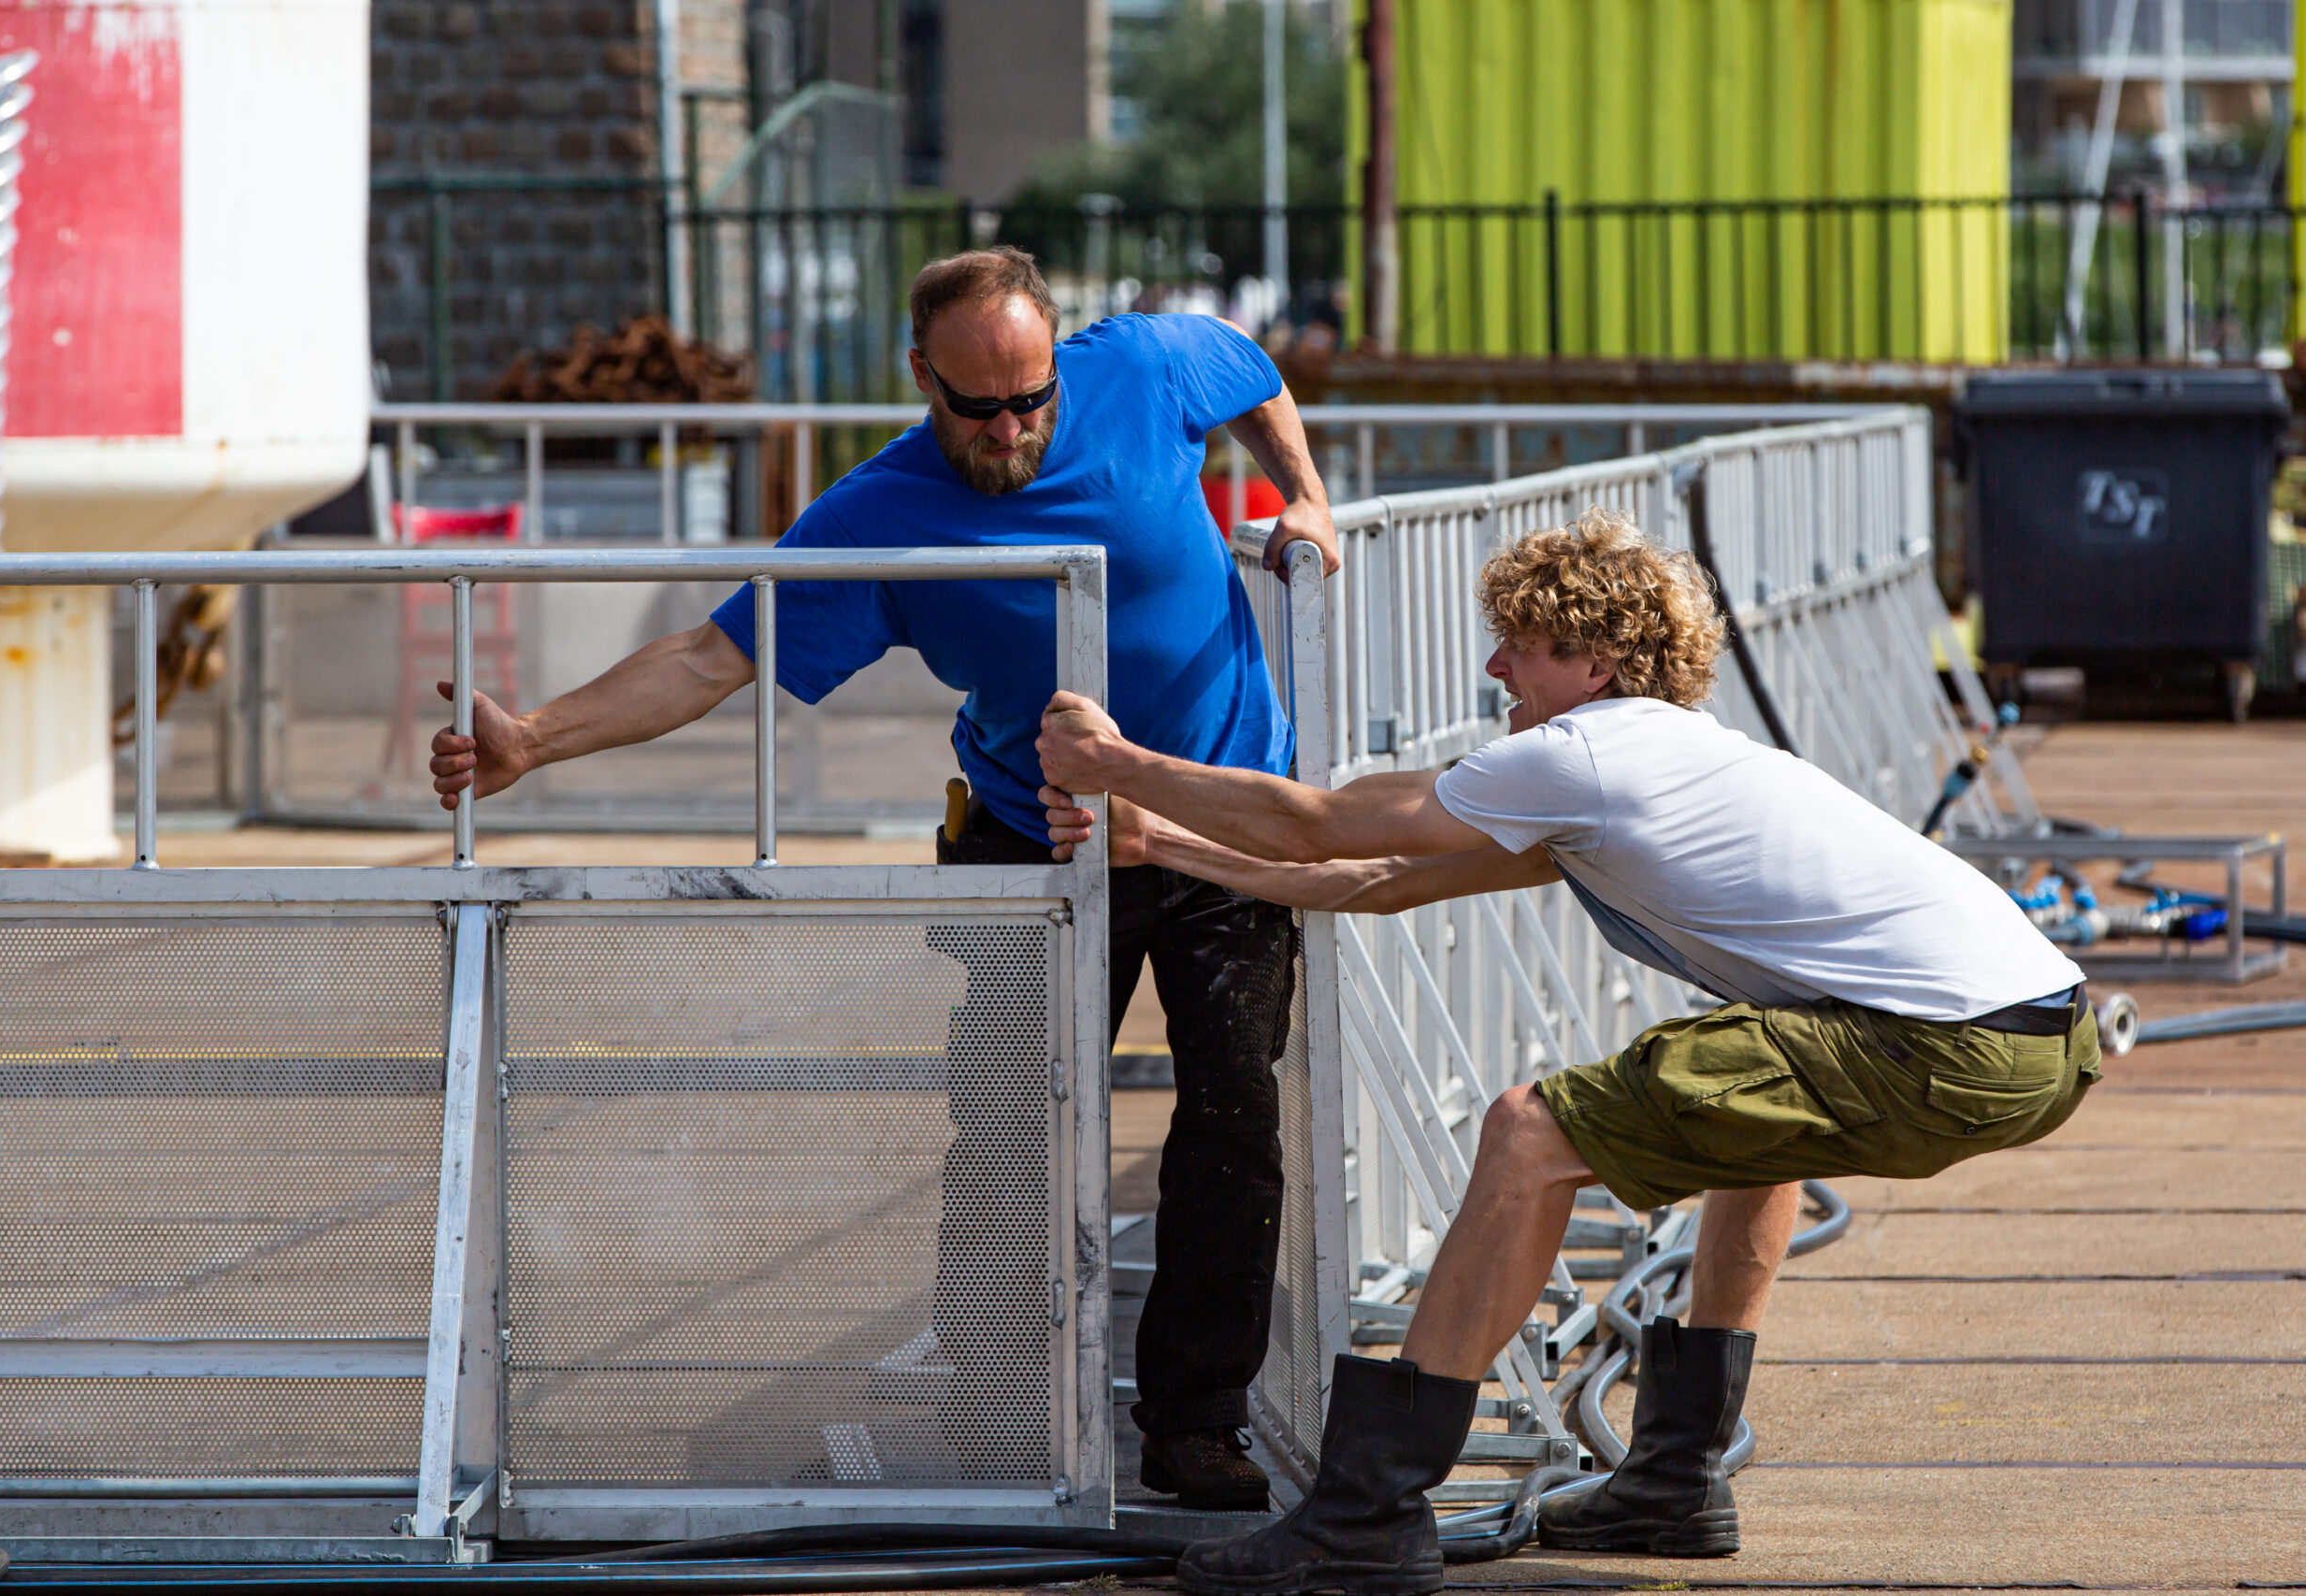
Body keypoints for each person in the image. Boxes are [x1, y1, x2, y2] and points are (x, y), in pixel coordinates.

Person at [1033, 508, 2099, 1594]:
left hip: (1954, 1041)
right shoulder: (1654, 760)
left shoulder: (1583, 757)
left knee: (1527, 1131)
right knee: (1753, 1124)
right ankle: (1677, 1480)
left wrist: (1114, 761)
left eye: (1522, 645)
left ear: (1593, 664)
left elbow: (1320, 822)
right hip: (2038, 1034)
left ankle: (1368, 1510)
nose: (1495, 664)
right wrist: (1161, 841)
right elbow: (1374, 882)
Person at [428, 246, 1342, 1510]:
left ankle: (1197, 1420)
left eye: (1033, 400)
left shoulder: (1137, 365)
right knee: (1014, 1136)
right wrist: (533, 740)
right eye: (982, 407)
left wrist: (1306, 498)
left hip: (1216, 809)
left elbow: (1252, 374)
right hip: (1035, 833)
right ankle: (998, 1412)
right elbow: (710, 655)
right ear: (922, 379)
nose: (1015, 428)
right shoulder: (879, 514)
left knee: (1235, 1116)